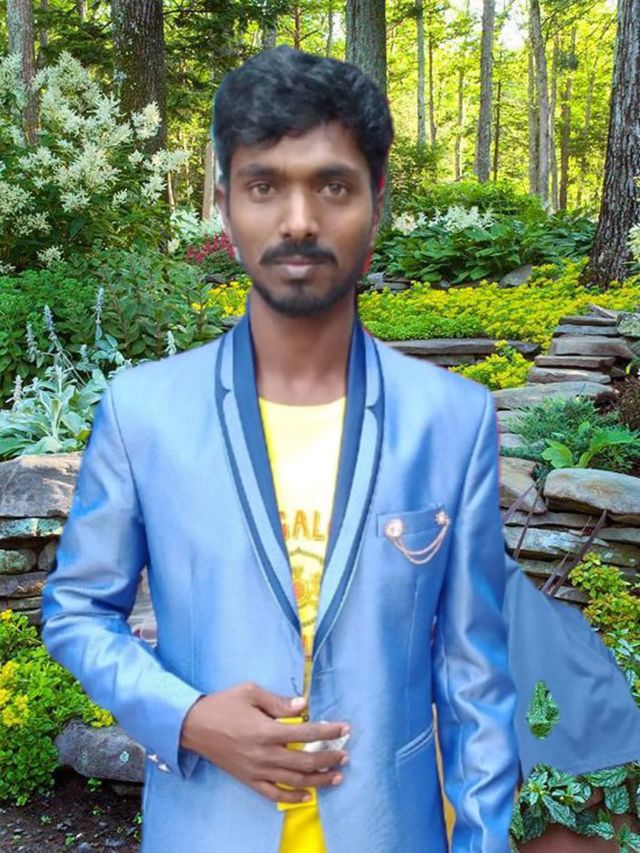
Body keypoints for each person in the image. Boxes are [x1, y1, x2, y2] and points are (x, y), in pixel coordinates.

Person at [41, 45, 522, 852]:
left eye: (332, 185)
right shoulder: (144, 412)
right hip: (207, 828)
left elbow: (476, 675)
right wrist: (189, 718)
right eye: (264, 186)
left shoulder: (451, 420)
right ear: (225, 207)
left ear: (377, 202)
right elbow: (78, 610)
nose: (299, 220)